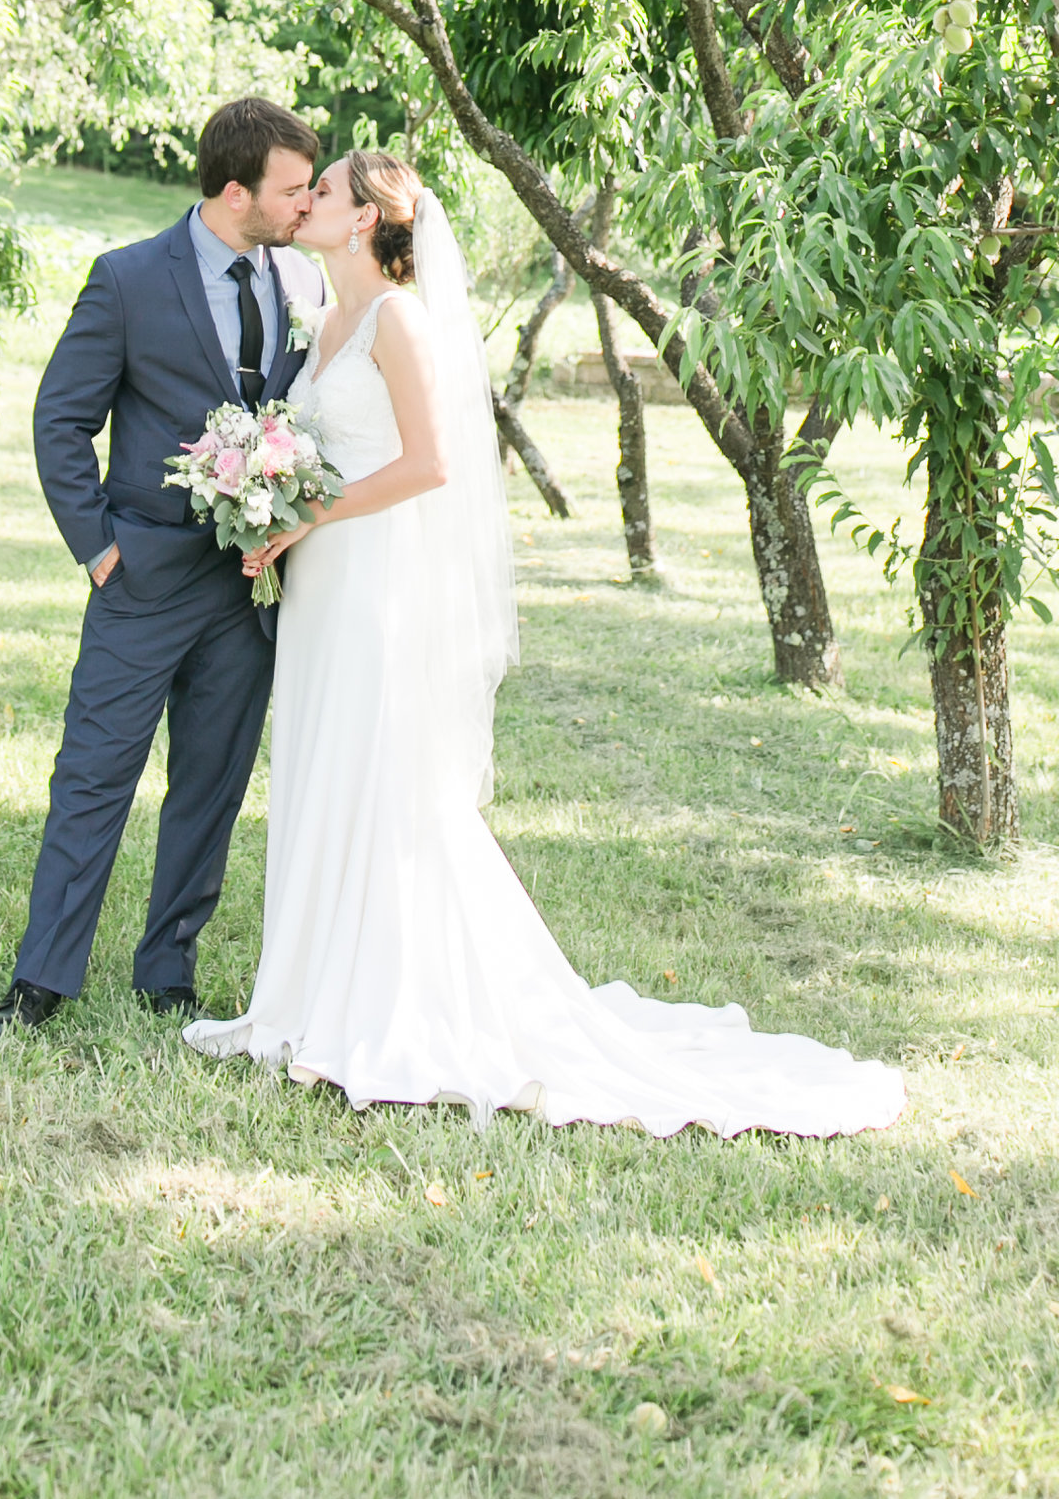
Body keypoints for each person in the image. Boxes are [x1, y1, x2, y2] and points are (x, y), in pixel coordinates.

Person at [184, 148, 908, 1139]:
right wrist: (267, 494)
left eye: (325, 193)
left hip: (371, 583)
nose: (306, 204)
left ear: (363, 220)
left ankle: (390, 1007)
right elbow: (314, 442)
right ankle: (310, 993)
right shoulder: (327, 317)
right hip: (319, 586)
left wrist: (310, 517)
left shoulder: (397, 318)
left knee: (381, 781)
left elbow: (431, 464)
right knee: (322, 767)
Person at [0, 93, 326, 1048]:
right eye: (292, 189)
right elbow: (60, 420)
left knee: (209, 786)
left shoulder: (302, 287)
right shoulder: (126, 280)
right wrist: (99, 547)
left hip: (247, 586)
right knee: (92, 777)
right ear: (233, 187)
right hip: (141, 580)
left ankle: (168, 971)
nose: (306, 205)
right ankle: (40, 982)